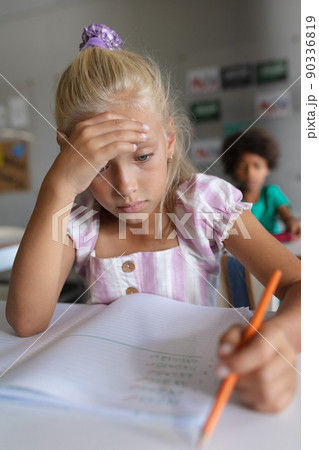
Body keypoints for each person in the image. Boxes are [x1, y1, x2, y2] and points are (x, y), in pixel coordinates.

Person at [6, 24, 300, 414]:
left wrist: (283, 335)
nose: (125, 186)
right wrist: (57, 186)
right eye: (97, 165)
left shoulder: (203, 204)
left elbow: (299, 282)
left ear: (170, 141)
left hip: (194, 391)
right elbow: (26, 321)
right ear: (68, 158)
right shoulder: (77, 221)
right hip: (105, 400)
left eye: (142, 156)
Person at [220, 129, 301, 236]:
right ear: (233, 169)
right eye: (242, 166)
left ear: (268, 168)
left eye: (257, 166)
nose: (250, 173)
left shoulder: (271, 193)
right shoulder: (230, 199)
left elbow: (286, 215)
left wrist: (291, 222)